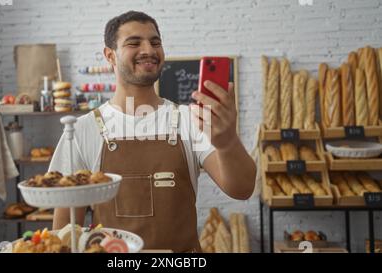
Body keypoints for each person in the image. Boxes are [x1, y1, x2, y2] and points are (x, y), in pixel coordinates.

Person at [49, 10, 256, 252]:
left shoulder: (190, 120)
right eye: (134, 43)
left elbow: (242, 189)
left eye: (155, 42)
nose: (148, 49)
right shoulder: (82, 129)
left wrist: (227, 141)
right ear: (110, 56)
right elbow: (63, 227)